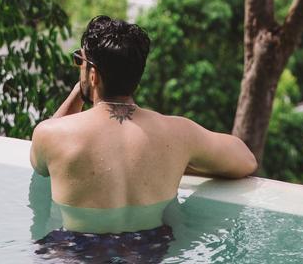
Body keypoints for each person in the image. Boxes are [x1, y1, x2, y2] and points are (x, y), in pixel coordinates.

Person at [31, 15, 256, 261]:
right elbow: (246, 160)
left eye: (79, 61)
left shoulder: (51, 134)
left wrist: (81, 88)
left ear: (93, 74)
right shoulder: (178, 133)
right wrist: (179, 164)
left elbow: (41, 167)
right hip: (147, 248)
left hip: (77, 251)